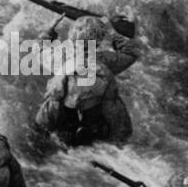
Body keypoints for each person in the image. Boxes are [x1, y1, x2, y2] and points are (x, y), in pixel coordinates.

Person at [33, 16, 135, 146]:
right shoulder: (107, 60)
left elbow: (38, 48)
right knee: (100, 130)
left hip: (64, 110)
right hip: (94, 112)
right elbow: (131, 53)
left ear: (71, 36)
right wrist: (113, 33)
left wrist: (50, 29)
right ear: (99, 40)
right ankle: (91, 133)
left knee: (59, 132)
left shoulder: (59, 58)